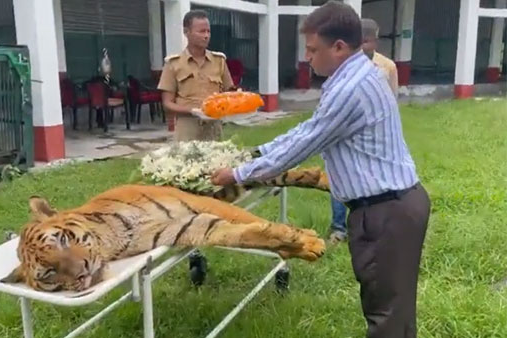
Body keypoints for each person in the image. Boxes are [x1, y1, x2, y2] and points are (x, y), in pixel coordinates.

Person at [210, 2, 430, 337]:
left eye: (313, 50)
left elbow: (305, 144)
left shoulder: (351, 89)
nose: (308, 58)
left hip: (387, 212)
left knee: (388, 319)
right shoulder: (353, 77)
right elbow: (309, 129)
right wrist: (258, 151)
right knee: (390, 311)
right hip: (389, 209)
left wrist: (238, 174)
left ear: (339, 47)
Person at [328, 17, 401, 244]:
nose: (366, 47)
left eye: (369, 42)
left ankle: (367, 227)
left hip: (370, 137)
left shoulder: (387, 67)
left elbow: (391, 102)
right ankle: (338, 227)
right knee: (339, 176)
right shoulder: (340, 64)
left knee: (368, 180)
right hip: (342, 133)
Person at [157, 9, 235, 142]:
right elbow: (167, 103)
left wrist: (236, 96)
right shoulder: (174, 64)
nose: (206, 36)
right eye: (201, 31)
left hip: (214, 129)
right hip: (187, 130)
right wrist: (193, 111)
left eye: (208, 31)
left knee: (218, 162)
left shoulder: (219, 61)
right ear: (186, 32)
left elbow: (230, 93)